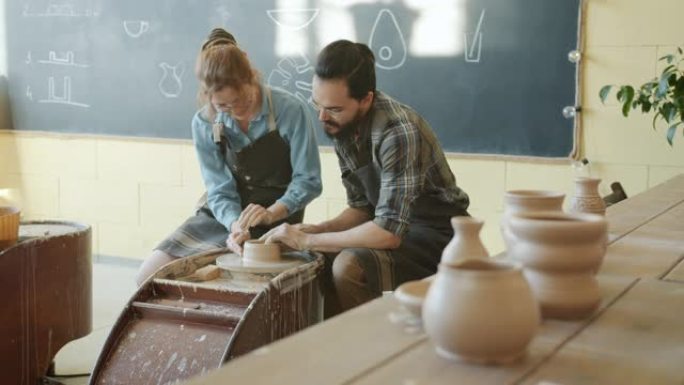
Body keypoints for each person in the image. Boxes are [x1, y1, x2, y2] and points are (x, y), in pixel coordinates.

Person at [262, 40, 470, 315]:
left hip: (437, 233)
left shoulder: (397, 131)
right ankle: (336, 344)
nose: (322, 116)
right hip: (393, 227)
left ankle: (371, 348)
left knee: (349, 266)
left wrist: (308, 241)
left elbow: (388, 232)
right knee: (316, 258)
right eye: (317, 105)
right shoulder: (341, 123)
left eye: (334, 109)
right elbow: (362, 208)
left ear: (366, 100)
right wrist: (318, 230)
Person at [136, 28, 322, 285]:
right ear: (208, 96)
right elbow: (219, 189)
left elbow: (308, 181)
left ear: (251, 78)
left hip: (277, 216)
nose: (236, 112)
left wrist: (270, 213)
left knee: (254, 290)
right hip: (225, 217)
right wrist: (234, 224)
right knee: (149, 277)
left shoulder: (290, 111)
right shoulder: (204, 122)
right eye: (223, 106)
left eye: (242, 101)